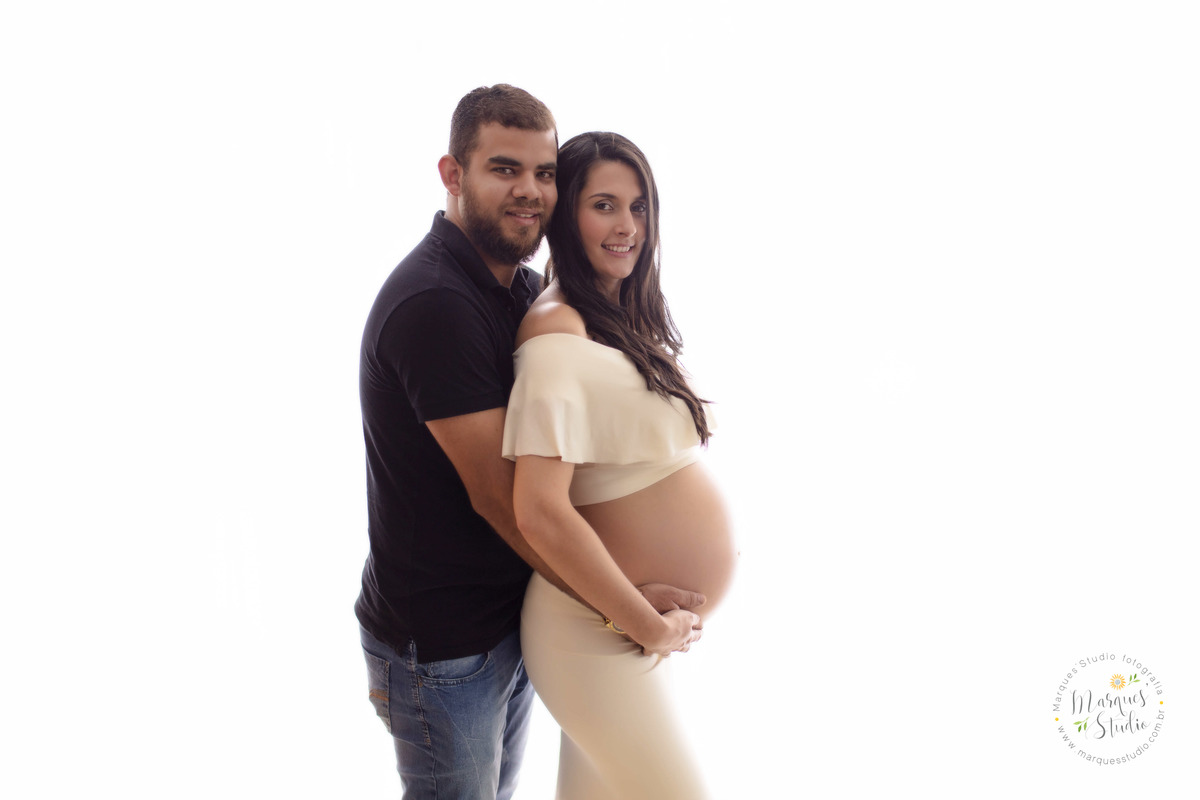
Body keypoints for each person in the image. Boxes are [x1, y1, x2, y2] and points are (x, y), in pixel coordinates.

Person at [356, 87, 705, 800]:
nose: (529, 192)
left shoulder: (513, 289)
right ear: (453, 175)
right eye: (504, 169)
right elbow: (508, 502)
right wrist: (633, 610)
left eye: (544, 173)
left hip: (507, 613)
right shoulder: (437, 307)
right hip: (445, 644)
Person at [503, 132, 738, 799]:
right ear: (563, 214)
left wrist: (643, 620)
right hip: (591, 631)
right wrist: (644, 621)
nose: (627, 226)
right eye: (604, 205)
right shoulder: (556, 332)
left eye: (638, 207)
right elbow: (538, 509)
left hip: (621, 626)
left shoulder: (612, 318)